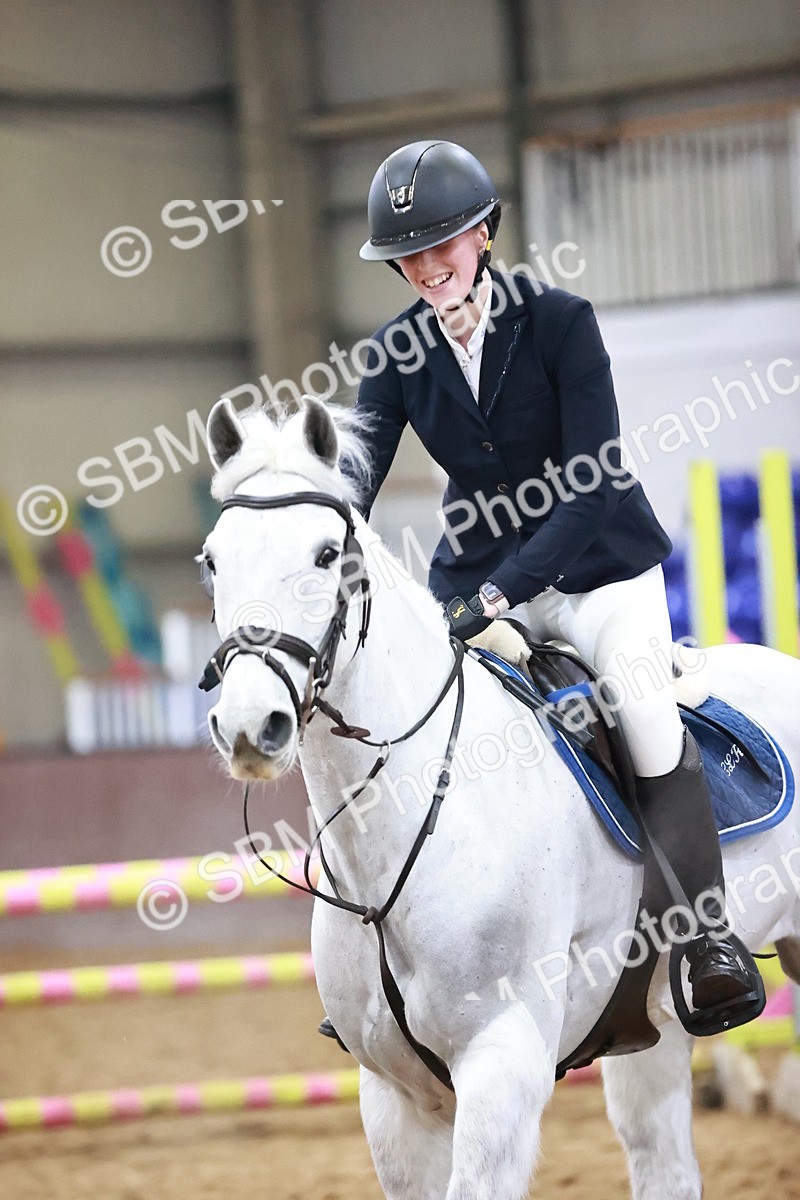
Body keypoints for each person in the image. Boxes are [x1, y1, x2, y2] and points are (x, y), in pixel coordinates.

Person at [320, 139, 753, 1049]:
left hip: (600, 570)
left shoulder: (559, 321)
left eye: (443, 244)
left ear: (484, 234)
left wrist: (502, 595)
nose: (428, 266)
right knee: (416, 729)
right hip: (477, 579)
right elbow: (356, 480)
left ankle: (707, 941)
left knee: (644, 715)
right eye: (409, 254)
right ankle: (387, 973)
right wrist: (312, 522)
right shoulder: (396, 351)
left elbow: (592, 483)